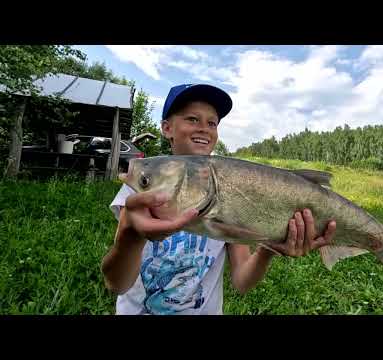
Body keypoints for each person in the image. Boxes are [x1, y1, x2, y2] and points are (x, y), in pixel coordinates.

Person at [101, 84, 337, 315]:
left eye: (212, 122)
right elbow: (116, 284)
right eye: (192, 119)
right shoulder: (143, 186)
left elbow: (242, 281)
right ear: (167, 128)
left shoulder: (228, 186)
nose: (204, 128)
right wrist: (130, 237)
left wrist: (268, 249)